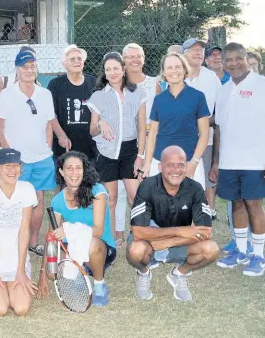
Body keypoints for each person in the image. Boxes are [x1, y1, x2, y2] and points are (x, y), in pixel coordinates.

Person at [211, 43, 265, 276]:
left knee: (254, 204)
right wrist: (216, 162)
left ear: (245, 58)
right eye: (228, 60)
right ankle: (241, 251)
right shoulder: (223, 90)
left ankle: (259, 256)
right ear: (223, 63)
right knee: (236, 203)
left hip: (257, 160)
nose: (233, 63)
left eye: (237, 58)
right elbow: (219, 129)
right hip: (230, 161)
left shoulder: (264, 85)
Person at [127, 146, 219, 302]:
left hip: (165, 242)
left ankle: (179, 274)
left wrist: (168, 242)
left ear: (186, 167)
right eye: (170, 164)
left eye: (181, 164)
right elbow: (138, 232)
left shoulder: (195, 189)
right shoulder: (147, 187)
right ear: (160, 167)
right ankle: (144, 273)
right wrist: (180, 231)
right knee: (136, 250)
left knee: (211, 249)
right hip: (150, 243)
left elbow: (205, 232)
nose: (176, 169)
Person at [0, 49, 61, 256]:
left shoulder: (45, 94)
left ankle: (33, 241)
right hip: (17, 159)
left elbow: (49, 124)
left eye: (32, 66)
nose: (29, 70)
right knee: (14, 200)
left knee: (38, 200)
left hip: (41, 157)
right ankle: (13, 241)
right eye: (24, 67)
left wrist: (48, 148)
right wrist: (7, 152)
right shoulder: (7, 93)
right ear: (17, 70)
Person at [87, 52, 147, 246]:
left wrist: (140, 156)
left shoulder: (137, 93)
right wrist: (101, 123)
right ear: (104, 73)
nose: (112, 72)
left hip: (130, 150)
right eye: (108, 69)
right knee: (111, 199)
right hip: (107, 152)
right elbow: (92, 130)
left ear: (123, 69)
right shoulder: (98, 96)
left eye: (115, 68)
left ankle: (138, 236)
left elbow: (141, 127)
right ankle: (111, 239)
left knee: (135, 197)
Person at [42, 151, 116, 306]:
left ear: (84, 170)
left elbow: (98, 231)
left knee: (92, 244)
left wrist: (68, 230)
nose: (74, 173)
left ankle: (99, 284)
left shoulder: (98, 191)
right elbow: (51, 238)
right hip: (74, 247)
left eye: (78, 168)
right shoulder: (57, 201)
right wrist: (42, 274)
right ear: (61, 171)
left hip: (101, 248)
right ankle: (80, 270)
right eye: (69, 168)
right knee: (51, 272)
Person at [0, 148, 38, 317]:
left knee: (21, 309)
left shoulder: (27, 189)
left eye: (16, 165)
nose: (12, 170)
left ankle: (13, 279)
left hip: (17, 261)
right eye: (7, 166)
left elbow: (25, 230)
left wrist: (21, 270)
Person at [142, 53, 210, 187]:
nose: (174, 71)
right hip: (160, 161)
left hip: (189, 161)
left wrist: (194, 162)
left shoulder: (197, 96)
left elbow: (204, 134)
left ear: (185, 69)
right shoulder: (159, 99)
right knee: (161, 205)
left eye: (178, 67)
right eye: (169, 67)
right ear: (164, 72)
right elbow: (153, 133)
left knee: (192, 205)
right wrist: (147, 164)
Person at [117, 43, 162, 216]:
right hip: (127, 145)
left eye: (138, 56)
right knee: (133, 194)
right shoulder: (116, 84)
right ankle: (138, 229)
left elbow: (160, 116)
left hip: (151, 144)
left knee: (153, 189)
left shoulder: (153, 84)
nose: (134, 60)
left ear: (144, 59)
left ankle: (154, 228)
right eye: (130, 56)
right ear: (123, 60)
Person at [182, 38, 222, 217]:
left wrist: (204, 123)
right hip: (180, 138)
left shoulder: (211, 77)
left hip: (206, 138)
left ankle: (208, 214)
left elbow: (221, 108)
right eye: (193, 49)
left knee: (207, 180)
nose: (198, 52)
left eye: (200, 49)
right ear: (184, 54)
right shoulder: (176, 74)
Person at [47, 45, 96, 162]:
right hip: (64, 146)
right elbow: (50, 113)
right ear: (64, 64)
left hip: (89, 146)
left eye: (79, 59)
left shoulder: (92, 81)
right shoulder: (55, 84)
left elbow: (99, 109)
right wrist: (60, 135)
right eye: (72, 59)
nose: (77, 62)